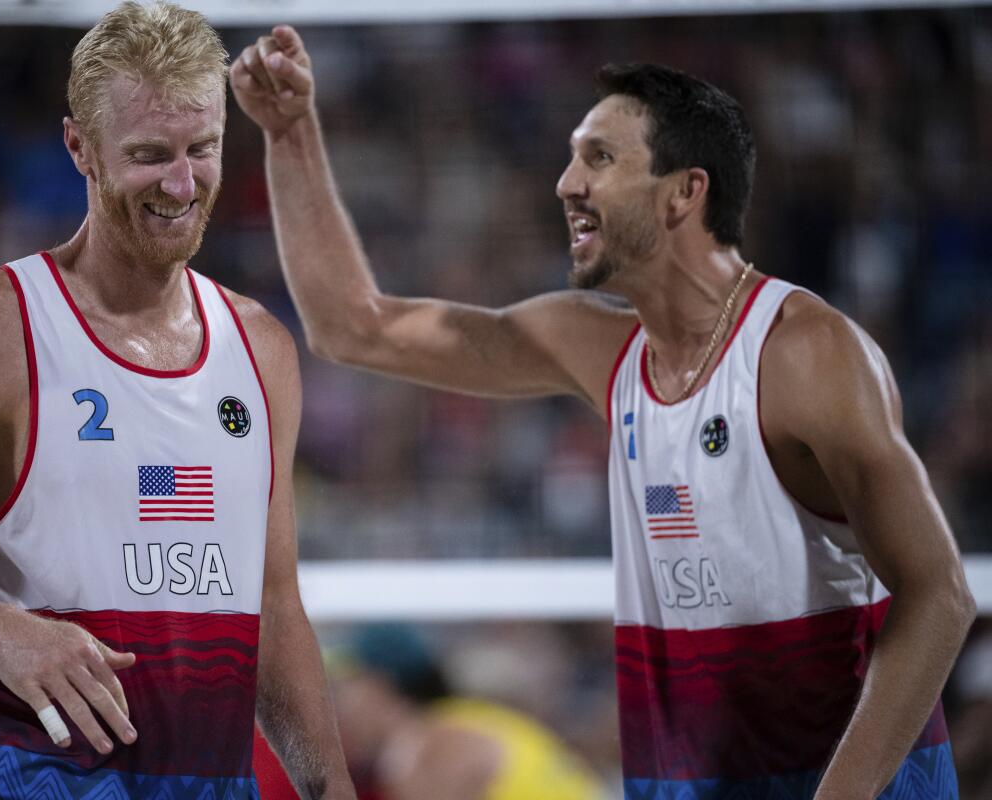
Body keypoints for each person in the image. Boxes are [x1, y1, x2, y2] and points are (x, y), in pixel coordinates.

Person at [230, 26, 977, 800]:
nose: (564, 182)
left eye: (599, 158)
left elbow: (939, 596)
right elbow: (353, 326)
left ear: (686, 191)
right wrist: (289, 132)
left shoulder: (806, 352)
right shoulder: (596, 344)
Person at [0, 4, 355, 799]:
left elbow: (272, 603)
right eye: (148, 155)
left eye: (201, 149)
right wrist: (0, 633)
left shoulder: (262, 348)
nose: (180, 181)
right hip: (23, 776)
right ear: (80, 149)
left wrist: (331, 789)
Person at [326, 624, 609, 800]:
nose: (336, 705)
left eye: (344, 688)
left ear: (383, 686)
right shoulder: (461, 719)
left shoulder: (436, 746)